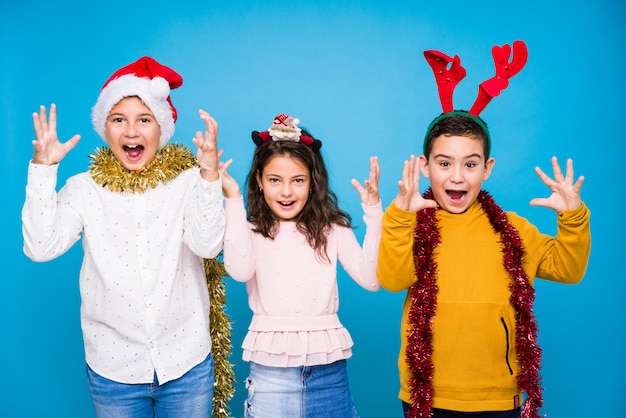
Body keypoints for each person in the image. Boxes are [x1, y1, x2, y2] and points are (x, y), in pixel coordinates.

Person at [377, 41, 591, 418]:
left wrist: (572, 218)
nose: (457, 176)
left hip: (497, 396)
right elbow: (394, 279)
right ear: (426, 166)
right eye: (444, 164)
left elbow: (568, 270)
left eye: (470, 164)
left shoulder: (513, 229)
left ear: (487, 168)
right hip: (426, 395)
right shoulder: (413, 223)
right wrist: (398, 218)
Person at [21, 56, 225, 418]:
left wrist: (209, 177)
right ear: (105, 128)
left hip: (186, 364)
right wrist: (43, 169)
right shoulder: (83, 189)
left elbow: (208, 245)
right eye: (119, 120)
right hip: (112, 370)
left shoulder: (188, 182)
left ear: (161, 128)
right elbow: (40, 248)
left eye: (144, 120)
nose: (132, 132)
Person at [219, 114, 382, 418]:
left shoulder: (332, 229)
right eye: (274, 180)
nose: (286, 192)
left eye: (298, 180)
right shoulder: (248, 229)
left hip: (328, 373)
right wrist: (232, 200)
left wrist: (373, 213)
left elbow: (372, 280)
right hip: (271, 375)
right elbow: (239, 272)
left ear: (312, 181)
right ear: (259, 180)